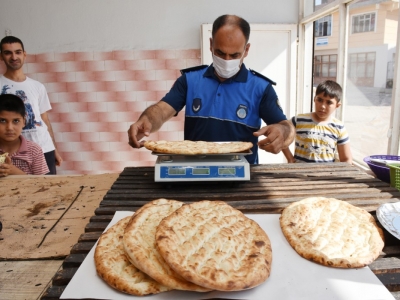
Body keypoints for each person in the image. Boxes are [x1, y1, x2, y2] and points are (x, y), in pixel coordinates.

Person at [128, 15, 294, 164]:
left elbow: (287, 126)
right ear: (210, 45)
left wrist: (282, 132)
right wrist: (147, 121)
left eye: (235, 55)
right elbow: (163, 110)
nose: (227, 60)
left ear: (246, 50)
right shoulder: (190, 80)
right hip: (194, 172)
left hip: (241, 178)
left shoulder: (260, 88)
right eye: (220, 53)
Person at [0, 35, 62, 174]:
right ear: (1, 57)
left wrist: (54, 149)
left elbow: (45, 120)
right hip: (11, 152)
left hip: (44, 148)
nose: (14, 57)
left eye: (18, 52)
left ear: (24, 54)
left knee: (47, 191)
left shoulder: (37, 86)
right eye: (8, 53)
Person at [282, 80, 352, 164]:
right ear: (314, 99)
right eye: (320, 100)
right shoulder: (298, 120)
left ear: (337, 105)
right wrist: (290, 158)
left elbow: (346, 159)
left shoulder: (339, 127)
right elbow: (281, 136)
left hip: (325, 175)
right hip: (298, 173)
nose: (322, 106)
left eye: (329, 102)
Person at [0, 93, 49, 176]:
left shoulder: (34, 150)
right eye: (3, 121)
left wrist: (15, 172)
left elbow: (41, 184)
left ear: (24, 122)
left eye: (16, 121)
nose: (10, 128)